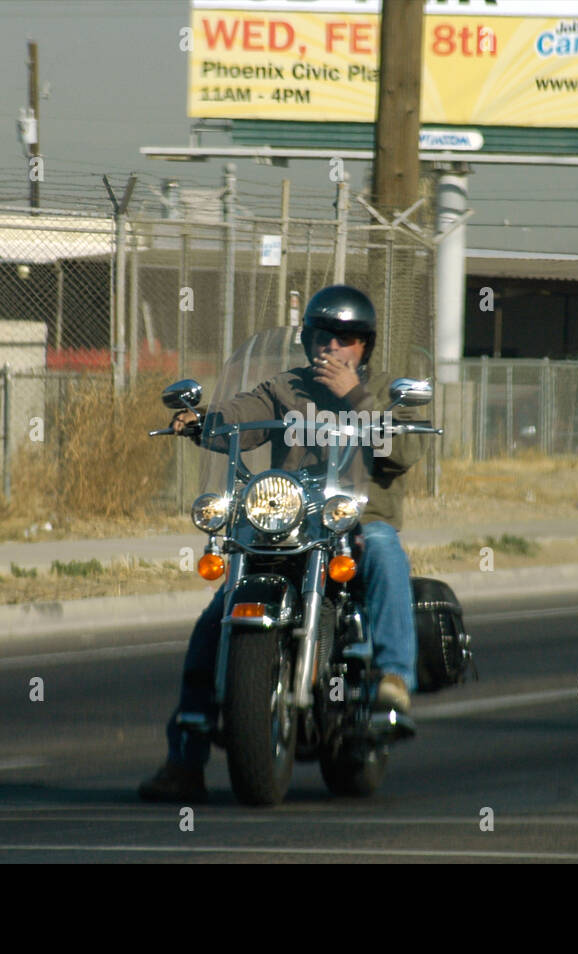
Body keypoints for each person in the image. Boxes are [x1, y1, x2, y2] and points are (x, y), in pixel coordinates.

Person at [138, 285, 426, 803]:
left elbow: (401, 451)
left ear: (365, 345)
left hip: (355, 523)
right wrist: (203, 420)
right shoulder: (286, 388)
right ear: (308, 339)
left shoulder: (383, 391)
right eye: (322, 336)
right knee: (217, 614)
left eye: (345, 339)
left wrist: (355, 398)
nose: (331, 348)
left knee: (386, 551)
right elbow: (241, 415)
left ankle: (393, 681)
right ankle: (184, 759)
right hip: (288, 522)